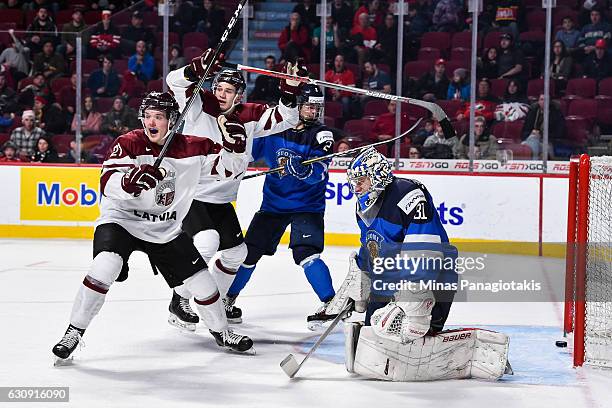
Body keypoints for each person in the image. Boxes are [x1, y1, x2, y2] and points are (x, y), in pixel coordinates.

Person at [51, 92, 254, 363]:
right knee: (105, 265)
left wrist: (235, 146)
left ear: (172, 120)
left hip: (164, 229)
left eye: (158, 117)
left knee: (204, 286)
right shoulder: (129, 142)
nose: (151, 122)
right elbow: (107, 179)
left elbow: (231, 169)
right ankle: (73, 331)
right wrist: (128, 183)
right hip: (122, 221)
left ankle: (222, 332)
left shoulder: (195, 147)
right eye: (147, 116)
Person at [325, 148, 509, 381]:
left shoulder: (409, 194)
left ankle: (469, 352)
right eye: (354, 182)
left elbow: (425, 250)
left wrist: (415, 300)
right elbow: (372, 245)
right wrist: (361, 274)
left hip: (434, 277)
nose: (356, 188)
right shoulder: (363, 205)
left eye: (361, 181)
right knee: (374, 331)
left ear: (378, 176)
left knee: (415, 330)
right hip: (389, 279)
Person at [164, 49, 302, 329]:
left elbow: (287, 118)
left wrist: (288, 91)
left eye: (230, 90)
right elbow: (174, 81)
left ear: (240, 95)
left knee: (236, 253)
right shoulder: (198, 107)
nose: (223, 94)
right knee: (206, 242)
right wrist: (196, 67)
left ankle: (217, 300)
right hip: (192, 195)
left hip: (222, 199)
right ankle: (179, 301)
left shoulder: (249, 115)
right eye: (219, 88)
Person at [226, 84, 337, 329]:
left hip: (308, 205)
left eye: (317, 107)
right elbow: (246, 154)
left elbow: (320, 170)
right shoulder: (272, 131)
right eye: (309, 106)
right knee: (249, 253)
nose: (313, 112)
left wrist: (307, 169)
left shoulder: (321, 134)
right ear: (297, 106)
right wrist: (230, 167)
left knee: (306, 253)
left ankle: (332, 303)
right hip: (274, 204)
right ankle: (228, 299)